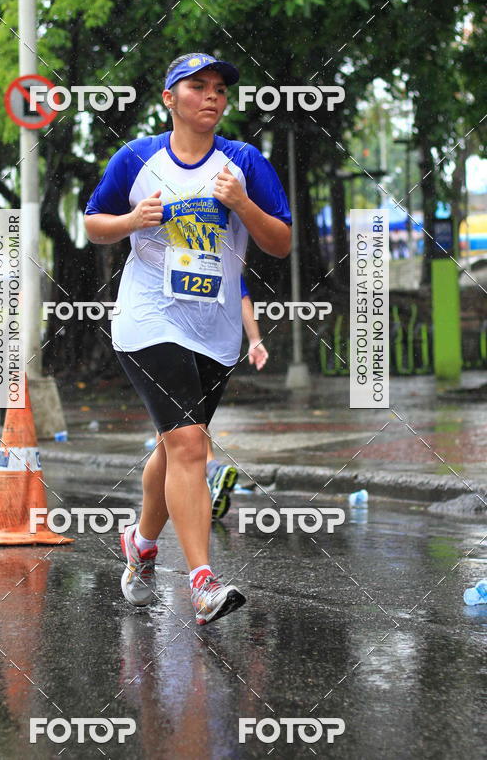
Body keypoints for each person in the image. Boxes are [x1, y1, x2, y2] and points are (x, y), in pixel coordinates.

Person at [85, 52, 292, 625]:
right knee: (190, 447)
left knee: (175, 443)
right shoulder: (137, 158)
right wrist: (133, 222)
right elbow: (93, 222)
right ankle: (202, 581)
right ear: (169, 98)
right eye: (197, 87)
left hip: (215, 328)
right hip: (149, 318)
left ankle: (142, 544)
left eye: (220, 88)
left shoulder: (245, 162)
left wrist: (241, 203)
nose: (212, 97)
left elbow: (280, 243)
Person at [206, 275, 269, 520]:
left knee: (177, 427)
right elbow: (241, 295)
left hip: (180, 339)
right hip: (215, 346)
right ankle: (210, 473)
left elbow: (239, 293)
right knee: (190, 420)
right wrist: (254, 339)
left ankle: (210, 474)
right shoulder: (222, 251)